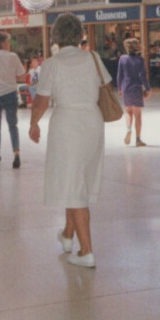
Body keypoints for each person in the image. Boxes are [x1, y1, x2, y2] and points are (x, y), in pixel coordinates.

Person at [28, 14, 109, 268]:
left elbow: (41, 101)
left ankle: (86, 251)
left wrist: (33, 123)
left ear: (56, 36)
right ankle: (67, 235)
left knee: (73, 183)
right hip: (93, 121)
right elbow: (106, 85)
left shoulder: (52, 64)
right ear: (79, 34)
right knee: (77, 179)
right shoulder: (93, 58)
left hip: (67, 123)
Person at [0, 32, 26, 168]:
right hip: (10, 94)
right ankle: (16, 154)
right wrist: (11, 78)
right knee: (12, 125)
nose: (9, 44)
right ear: (3, 43)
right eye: (8, 42)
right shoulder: (13, 57)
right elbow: (22, 76)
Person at [116, 37, 150, 147]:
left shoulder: (122, 59)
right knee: (138, 115)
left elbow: (119, 75)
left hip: (125, 87)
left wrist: (119, 88)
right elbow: (143, 76)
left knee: (128, 112)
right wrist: (148, 88)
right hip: (136, 88)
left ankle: (129, 129)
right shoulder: (140, 60)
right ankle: (138, 139)